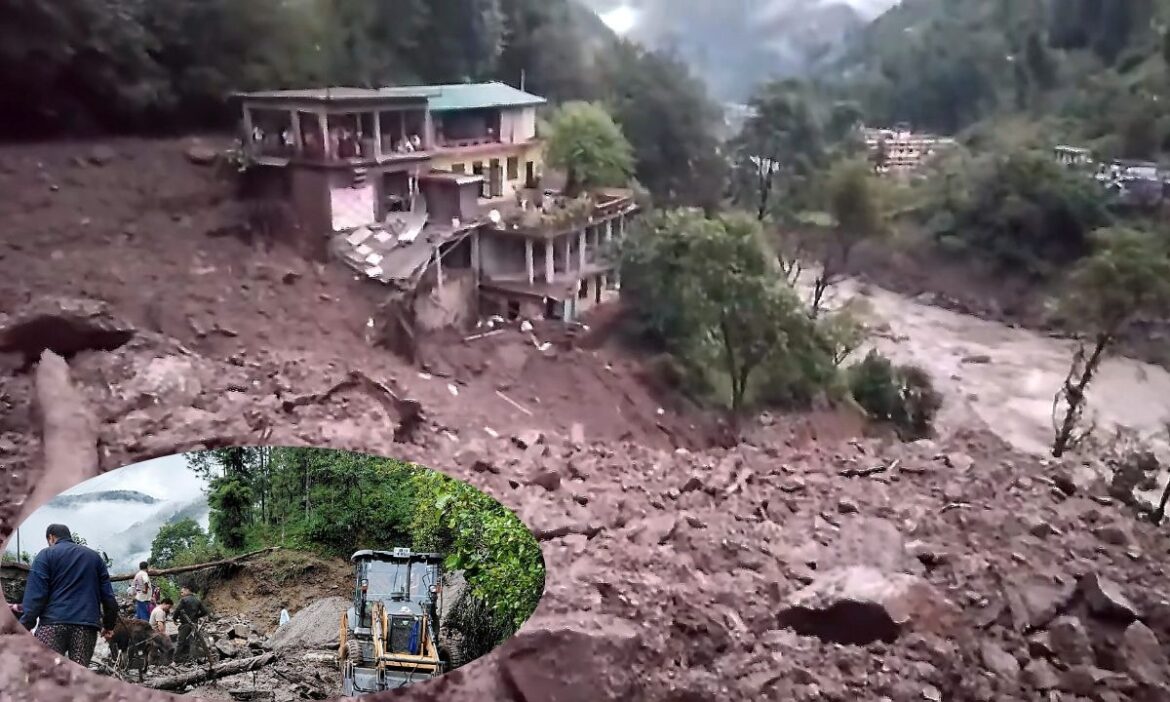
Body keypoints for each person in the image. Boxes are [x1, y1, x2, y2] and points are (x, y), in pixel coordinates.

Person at [20, 524, 118, 667]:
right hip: (85, 627)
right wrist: (109, 626)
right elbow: (109, 598)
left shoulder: (45, 555)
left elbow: (35, 596)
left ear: (51, 537)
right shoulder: (94, 558)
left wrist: (25, 624)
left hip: (52, 625)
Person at [173, 585, 209, 662]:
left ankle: (175, 660)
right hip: (194, 625)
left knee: (180, 641)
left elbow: (177, 610)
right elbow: (205, 612)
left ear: (187, 590)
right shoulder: (197, 600)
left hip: (185, 625)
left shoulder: (184, 600)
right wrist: (196, 616)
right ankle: (192, 659)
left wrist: (174, 618)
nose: (181, 594)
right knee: (192, 641)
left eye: (182, 592)